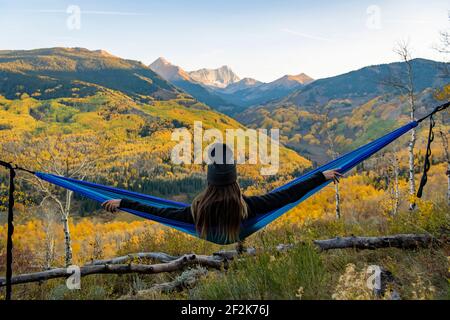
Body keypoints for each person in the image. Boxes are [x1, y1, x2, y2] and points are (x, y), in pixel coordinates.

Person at [103, 143, 342, 243]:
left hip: (202, 224)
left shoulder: (196, 213)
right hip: (240, 226)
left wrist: (124, 202)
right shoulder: (248, 207)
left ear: (209, 184)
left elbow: (157, 211)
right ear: (235, 182)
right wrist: (320, 177)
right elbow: (288, 194)